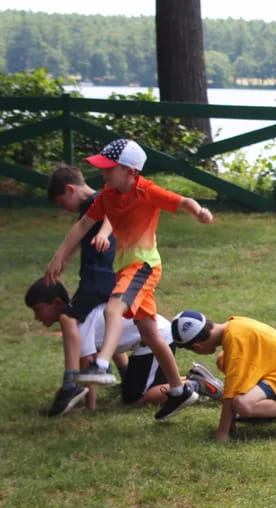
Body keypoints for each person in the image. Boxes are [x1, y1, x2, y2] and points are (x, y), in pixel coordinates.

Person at [44, 138, 215, 421]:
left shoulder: (147, 191)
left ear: (130, 171)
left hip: (143, 265)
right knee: (149, 333)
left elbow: (181, 201)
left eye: (109, 169)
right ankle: (178, 390)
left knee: (113, 308)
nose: (104, 174)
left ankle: (101, 365)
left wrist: (199, 212)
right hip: (125, 268)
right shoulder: (108, 195)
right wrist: (59, 256)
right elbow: (84, 224)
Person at [24, 278, 218, 410]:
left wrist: (89, 407)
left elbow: (85, 365)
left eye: (38, 310)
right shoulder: (79, 313)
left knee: (137, 398)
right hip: (148, 339)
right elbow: (110, 344)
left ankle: (195, 385)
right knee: (133, 390)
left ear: (57, 302)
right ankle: (188, 380)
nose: (36, 317)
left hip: (155, 338)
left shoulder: (75, 322)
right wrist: (126, 374)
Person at [170, 310, 276, 442]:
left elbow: (231, 393)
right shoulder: (233, 326)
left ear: (197, 347)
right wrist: (230, 422)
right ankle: (268, 411)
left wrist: (223, 432)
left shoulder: (236, 340)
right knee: (223, 360)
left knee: (242, 404)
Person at [43, 165, 119, 415]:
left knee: (68, 318)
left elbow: (110, 216)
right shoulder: (91, 207)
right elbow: (79, 233)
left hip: (98, 276)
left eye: (61, 201)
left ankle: (70, 383)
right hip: (102, 276)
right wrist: (62, 259)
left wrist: (59, 257)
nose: (63, 207)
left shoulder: (99, 201)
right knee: (95, 327)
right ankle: (122, 377)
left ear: (70, 189)